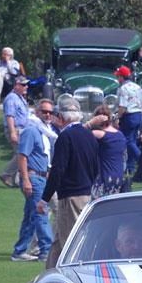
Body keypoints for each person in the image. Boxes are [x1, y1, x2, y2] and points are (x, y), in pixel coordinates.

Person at [38, 100, 99, 268]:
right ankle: (49, 279)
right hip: (86, 195)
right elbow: (96, 168)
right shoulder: (89, 135)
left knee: (69, 246)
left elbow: (57, 171)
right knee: (58, 242)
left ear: (61, 117)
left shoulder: (65, 136)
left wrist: (44, 199)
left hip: (70, 197)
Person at [11, 100, 54, 263]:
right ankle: (46, 251)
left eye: (50, 112)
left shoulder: (44, 132)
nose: (48, 114)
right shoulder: (31, 130)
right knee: (41, 212)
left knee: (30, 215)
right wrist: (26, 180)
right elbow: (22, 156)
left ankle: (19, 251)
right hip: (33, 177)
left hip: (41, 177)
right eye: (44, 111)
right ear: (36, 112)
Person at [0, 76, 30, 187]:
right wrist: (12, 132)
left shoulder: (20, 97)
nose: (26, 86)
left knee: (20, 154)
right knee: (21, 154)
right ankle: (6, 174)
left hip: (22, 130)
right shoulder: (11, 98)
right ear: (16, 85)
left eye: (26, 84)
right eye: (23, 85)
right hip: (16, 129)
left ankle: (16, 180)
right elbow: (10, 116)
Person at [89, 105, 125, 198]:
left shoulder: (98, 134)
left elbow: (78, 133)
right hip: (118, 176)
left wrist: (90, 123)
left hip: (103, 177)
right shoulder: (120, 135)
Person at [114, 66, 142, 175]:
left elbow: (123, 106)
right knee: (133, 140)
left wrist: (118, 117)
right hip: (138, 115)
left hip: (129, 116)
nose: (118, 79)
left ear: (122, 77)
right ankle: (130, 167)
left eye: (118, 76)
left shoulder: (123, 88)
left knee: (128, 141)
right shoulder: (137, 87)